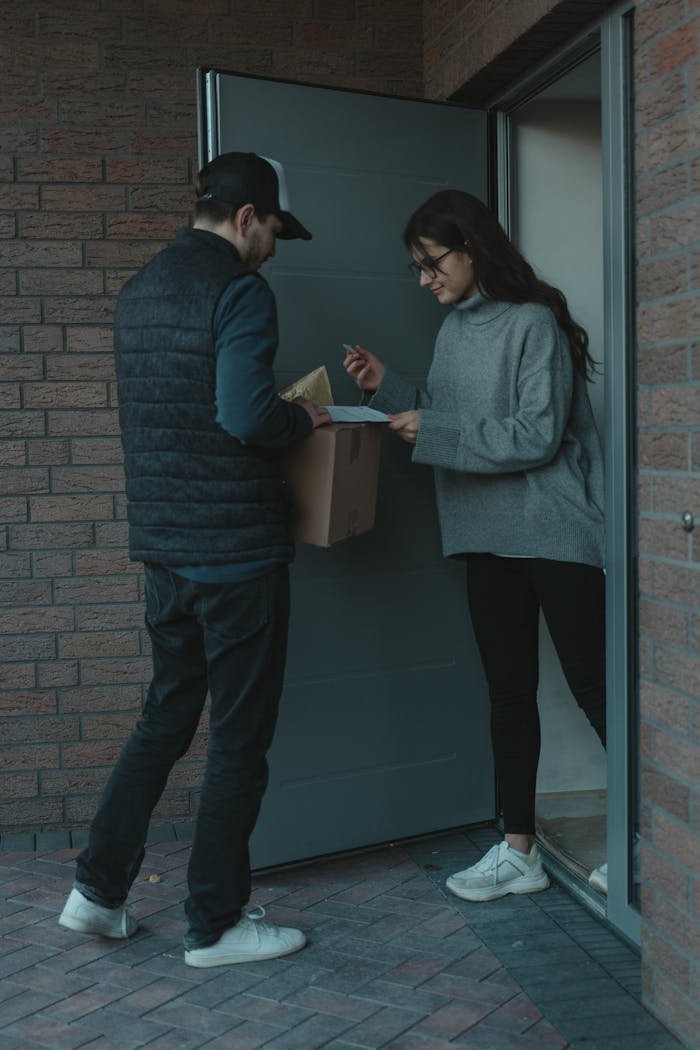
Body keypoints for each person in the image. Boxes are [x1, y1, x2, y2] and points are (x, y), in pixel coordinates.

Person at [58, 152, 330, 966]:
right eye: (276, 228)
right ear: (248, 216)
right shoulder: (240, 290)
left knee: (166, 718)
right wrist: (305, 423)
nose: (276, 247)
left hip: (167, 555)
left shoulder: (138, 291)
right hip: (236, 557)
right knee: (240, 740)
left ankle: (98, 893)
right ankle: (216, 925)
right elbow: (245, 415)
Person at [344, 189, 606, 903]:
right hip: (484, 533)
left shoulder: (534, 326)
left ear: (472, 248)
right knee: (508, 695)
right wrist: (387, 386)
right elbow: (455, 408)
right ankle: (518, 853)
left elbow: (535, 435)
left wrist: (431, 432)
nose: (425, 278)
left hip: (552, 529)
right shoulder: (457, 329)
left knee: (597, 688)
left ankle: (656, 837)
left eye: (431, 263)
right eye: (417, 269)